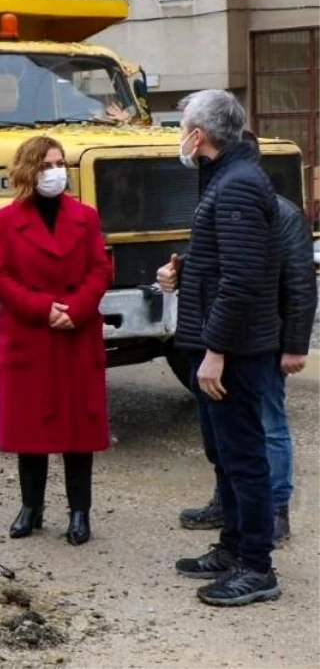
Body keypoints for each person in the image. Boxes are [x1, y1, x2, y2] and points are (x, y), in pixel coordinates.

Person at [168, 131, 315, 547]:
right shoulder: (218, 202)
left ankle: (274, 510)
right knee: (226, 433)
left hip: (260, 339)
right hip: (228, 334)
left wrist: (295, 345)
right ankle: (227, 503)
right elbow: (212, 270)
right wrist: (176, 275)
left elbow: (300, 284)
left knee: (266, 426)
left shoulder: (278, 213)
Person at [165, 89, 282, 607]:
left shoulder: (235, 185)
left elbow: (241, 280)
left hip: (232, 352)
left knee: (244, 457)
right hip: (217, 345)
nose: (180, 136)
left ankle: (257, 567)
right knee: (225, 455)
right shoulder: (222, 178)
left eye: (182, 126)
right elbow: (223, 262)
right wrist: (184, 272)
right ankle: (233, 547)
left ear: (200, 135)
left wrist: (216, 350)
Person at [0, 135, 113, 547]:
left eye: (60, 164)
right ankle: (31, 507)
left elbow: (100, 268)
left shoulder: (86, 217)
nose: (56, 172)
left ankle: (80, 512)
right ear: (28, 170)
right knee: (31, 427)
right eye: (46, 165)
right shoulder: (3, 221)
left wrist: (75, 309)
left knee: (79, 427)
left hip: (77, 333)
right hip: (30, 333)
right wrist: (44, 309)